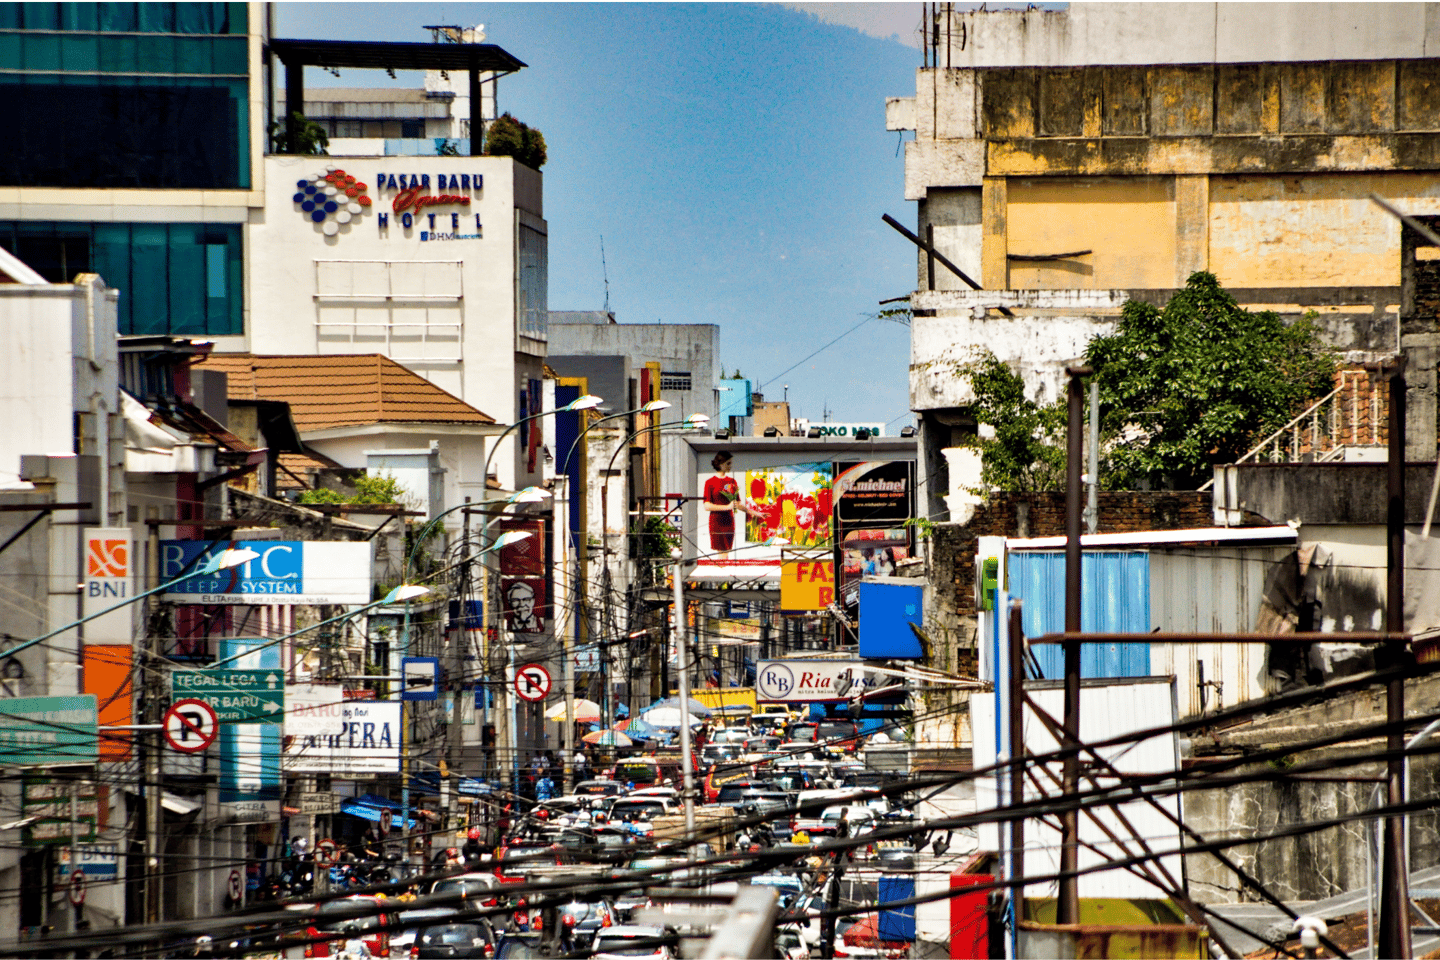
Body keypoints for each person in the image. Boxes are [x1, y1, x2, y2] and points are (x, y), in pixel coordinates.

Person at [702, 451, 760, 558]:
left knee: (726, 551)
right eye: (728, 463)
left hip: (729, 521)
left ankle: (723, 571)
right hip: (716, 521)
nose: (730, 466)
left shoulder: (732, 481)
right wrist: (727, 507)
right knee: (720, 552)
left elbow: (738, 504)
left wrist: (756, 513)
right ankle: (720, 572)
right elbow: (707, 506)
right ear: (720, 464)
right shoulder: (710, 482)